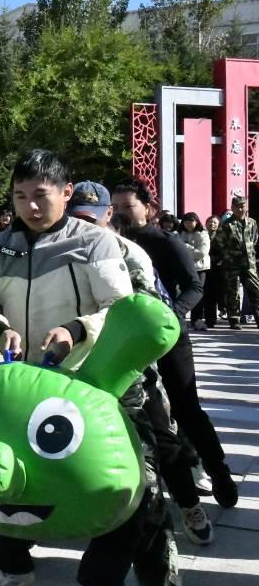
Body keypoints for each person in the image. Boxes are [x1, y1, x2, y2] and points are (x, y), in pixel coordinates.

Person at [0, 150, 146, 586]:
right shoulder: (0, 245)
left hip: (90, 385)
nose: (31, 207)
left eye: (41, 195)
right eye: (20, 196)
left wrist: (77, 330)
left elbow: (121, 308)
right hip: (20, 386)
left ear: (66, 192)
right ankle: (10, 569)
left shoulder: (94, 241)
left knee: (129, 488)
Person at [67, 182, 192, 586]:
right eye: (75, 216)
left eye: (91, 217)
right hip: (60, 388)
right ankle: (9, 561)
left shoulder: (130, 256)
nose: (83, 225)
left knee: (145, 492)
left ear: (108, 217)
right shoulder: (48, 255)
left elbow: (152, 322)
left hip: (124, 389)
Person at [112, 180, 238, 511]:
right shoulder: (107, 244)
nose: (121, 213)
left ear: (148, 208)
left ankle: (218, 471)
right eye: (115, 207)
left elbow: (194, 286)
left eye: (128, 206)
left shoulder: (166, 242)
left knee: (186, 408)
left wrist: (171, 314)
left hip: (168, 337)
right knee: (142, 412)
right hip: (127, 341)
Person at [217, 195, 259, 329]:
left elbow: (255, 239)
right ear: (232, 208)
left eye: (242, 206)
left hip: (249, 263)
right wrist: (229, 255)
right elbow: (219, 243)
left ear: (246, 207)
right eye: (237, 207)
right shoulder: (226, 224)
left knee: (255, 290)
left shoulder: (252, 222)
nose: (240, 209)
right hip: (232, 263)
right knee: (233, 292)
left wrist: (250, 252)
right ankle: (234, 319)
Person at [178, 213, 211, 330]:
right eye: (186, 221)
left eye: (191, 221)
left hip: (199, 268)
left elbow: (201, 253)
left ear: (197, 222)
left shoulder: (203, 234)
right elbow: (176, 251)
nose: (188, 224)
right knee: (183, 293)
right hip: (184, 267)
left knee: (197, 294)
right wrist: (190, 250)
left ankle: (196, 319)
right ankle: (181, 318)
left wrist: (185, 247)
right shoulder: (179, 234)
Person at [202, 214, 223, 329]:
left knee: (218, 294)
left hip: (218, 268)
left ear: (219, 224)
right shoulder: (202, 235)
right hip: (205, 268)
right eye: (210, 222)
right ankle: (209, 319)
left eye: (215, 222)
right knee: (208, 294)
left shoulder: (222, 236)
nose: (212, 224)